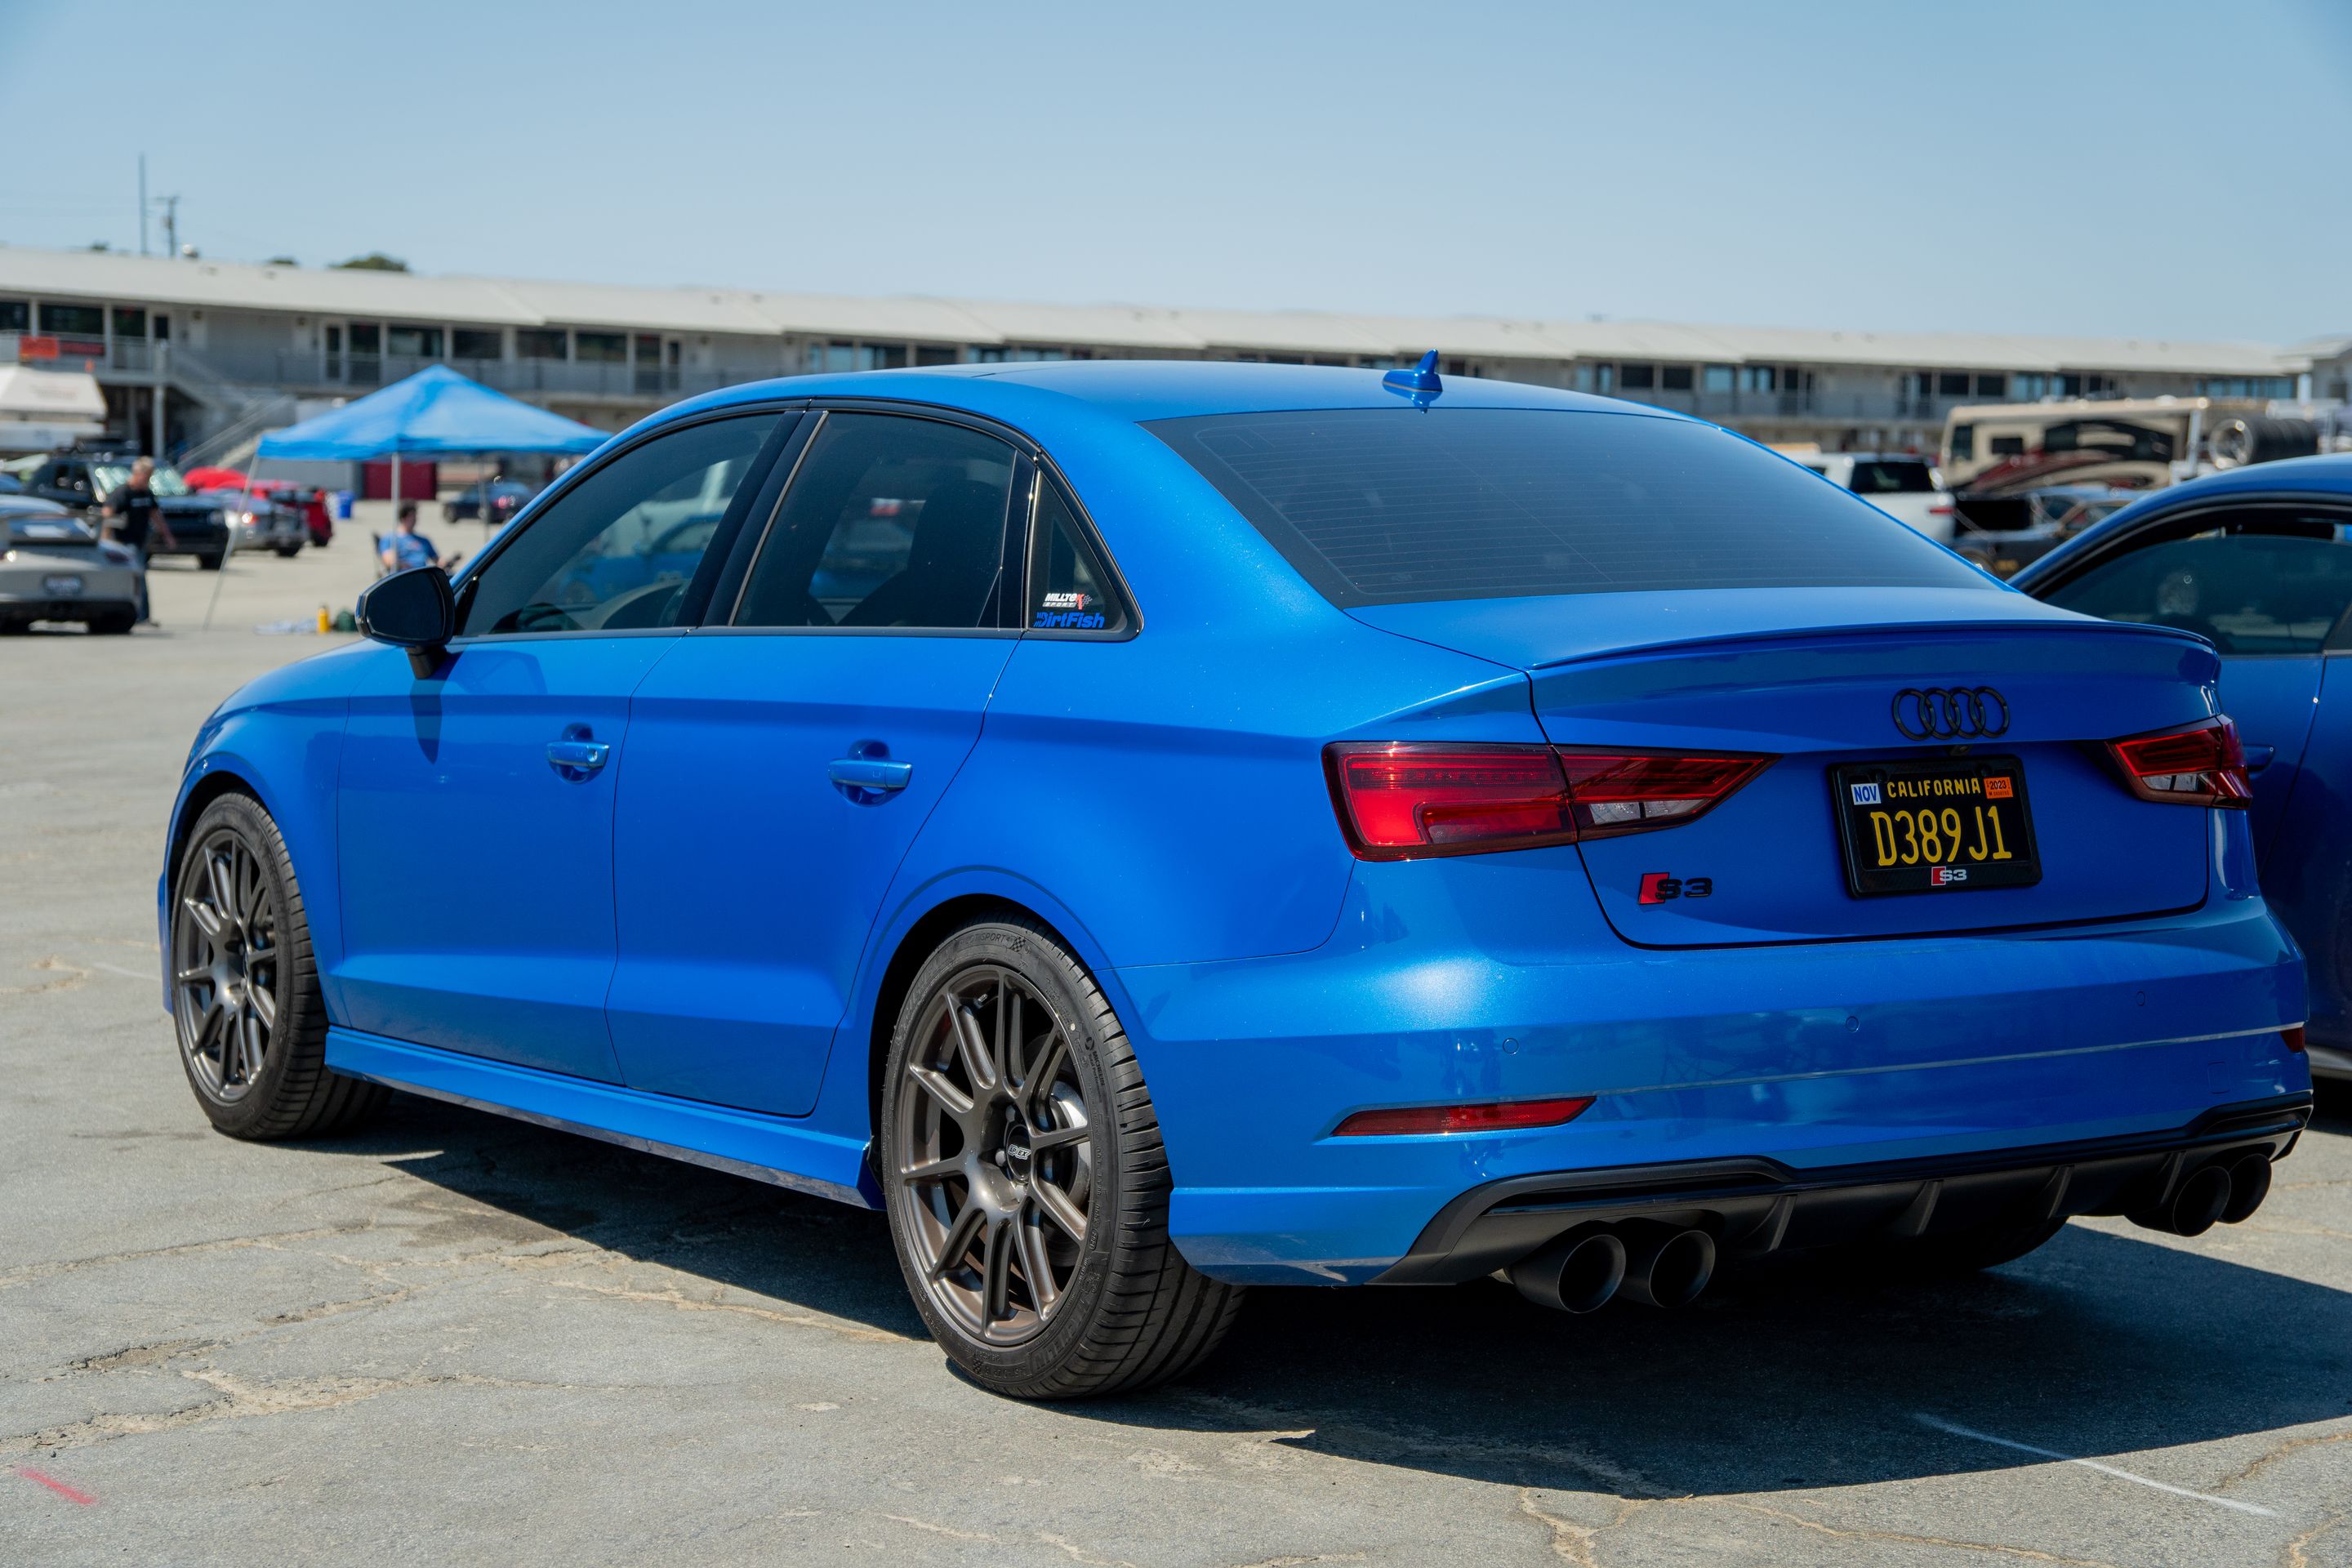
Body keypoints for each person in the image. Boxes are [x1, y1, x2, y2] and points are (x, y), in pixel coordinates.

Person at [100, 456, 176, 626]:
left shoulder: (146, 493)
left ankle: (143, 616)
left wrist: (168, 536)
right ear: (138, 473)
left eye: (150, 477)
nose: (148, 480)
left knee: (140, 577)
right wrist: (105, 539)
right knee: (137, 577)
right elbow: (107, 513)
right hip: (123, 543)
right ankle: (139, 615)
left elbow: (155, 515)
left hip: (139, 542)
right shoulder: (123, 492)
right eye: (147, 476)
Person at [380, 501, 444, 572]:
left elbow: (437, 560)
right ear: (403, 517)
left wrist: (444, 562)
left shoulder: (424, 540)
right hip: (404, 576)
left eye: (415, 515)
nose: (415, 519)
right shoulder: (390, 539)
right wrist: (405, 565)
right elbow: (389, 561)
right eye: (411, 516)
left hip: (423, 576)